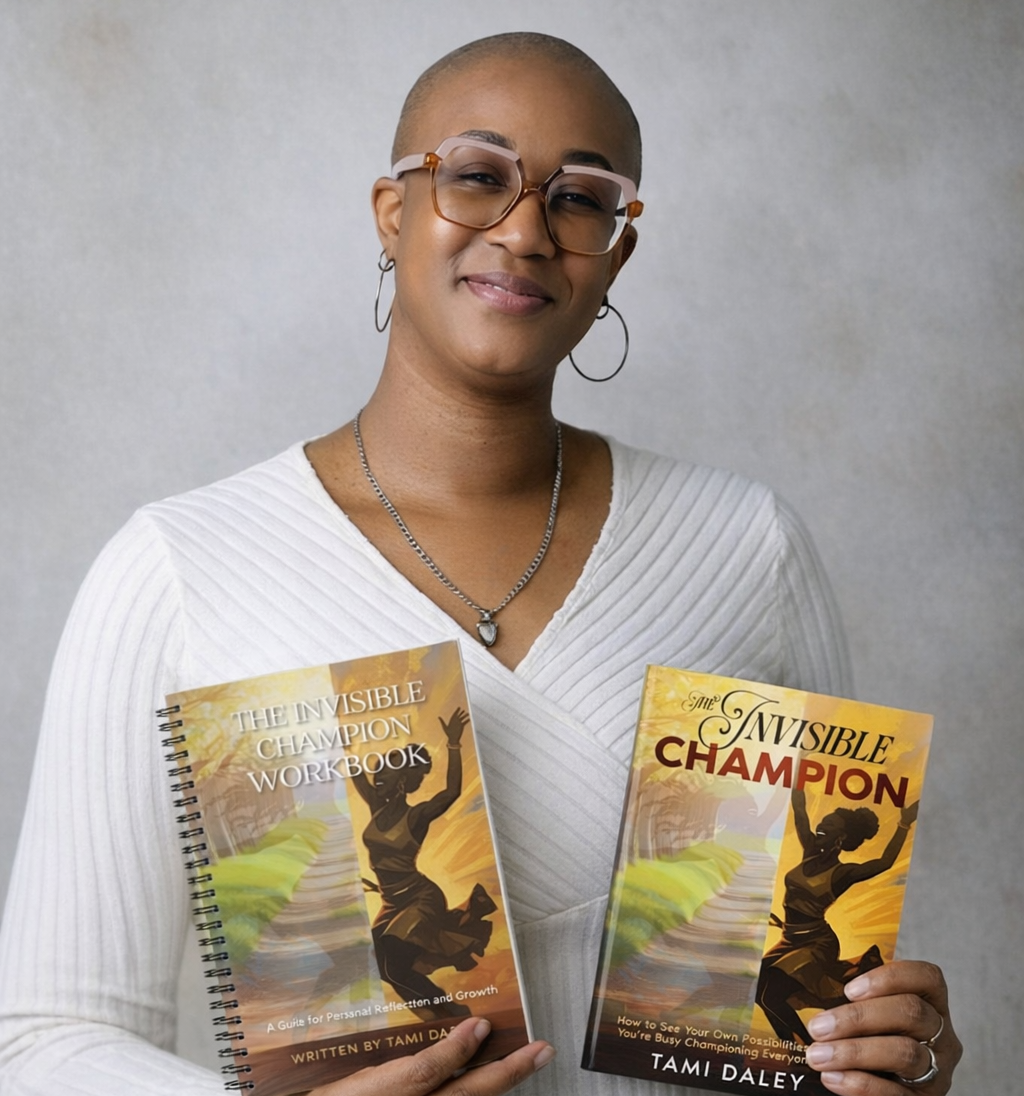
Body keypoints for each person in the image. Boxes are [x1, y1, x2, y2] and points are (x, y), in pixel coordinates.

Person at [0, 31, 961, 1096]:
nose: (522, 229)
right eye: (476, 175)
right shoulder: (179, 568)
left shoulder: (746, 549)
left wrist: (884, 1057)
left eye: (580, 197)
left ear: (616, 252)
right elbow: (44, 1042)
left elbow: (813, 1029)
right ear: (392, 210)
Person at [352, 707, 497, 1020]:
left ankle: (446, 1011)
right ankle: (443, 1011)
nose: (377, 780)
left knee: (392, 961)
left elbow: (451, 792)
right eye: (376, 774)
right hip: (392, 901)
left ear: (402, 782)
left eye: (385, 777)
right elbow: (354, 771)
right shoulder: (377, 807)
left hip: (420, 898)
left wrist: (454, 744)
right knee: (378, 962)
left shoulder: (415, 816)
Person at [755, 790, 919, 1046]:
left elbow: (884, 863)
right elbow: (800, 809)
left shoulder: (843, 873)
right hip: (789, 940)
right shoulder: (809, 850)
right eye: (823, 822)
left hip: (816, 944)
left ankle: (807, 1048)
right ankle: (793, 1048)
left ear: (840, 837)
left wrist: (903, 823)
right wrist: (801, 762)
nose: (821, 826)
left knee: (771, 996)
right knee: (758, 991)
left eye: (829, 825)